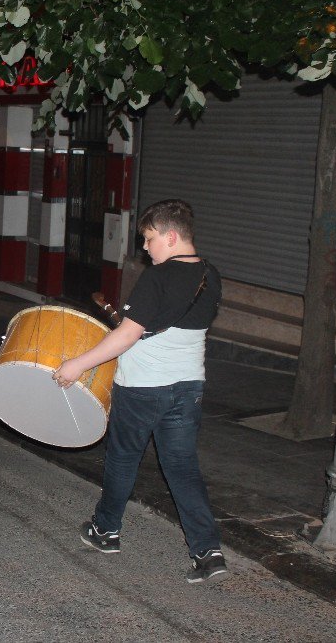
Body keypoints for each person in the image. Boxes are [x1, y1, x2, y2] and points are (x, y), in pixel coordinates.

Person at [52, 199, 227, 584]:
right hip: (189, 387)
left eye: (149, 239)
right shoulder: (210, 275)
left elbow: (129, 334)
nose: (145, 248)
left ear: (171, 235)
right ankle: (208, 550)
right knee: (182, 467)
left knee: (123, 460)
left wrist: (78, 364)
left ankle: (105, 531)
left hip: (144, 388)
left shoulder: (159, 277)